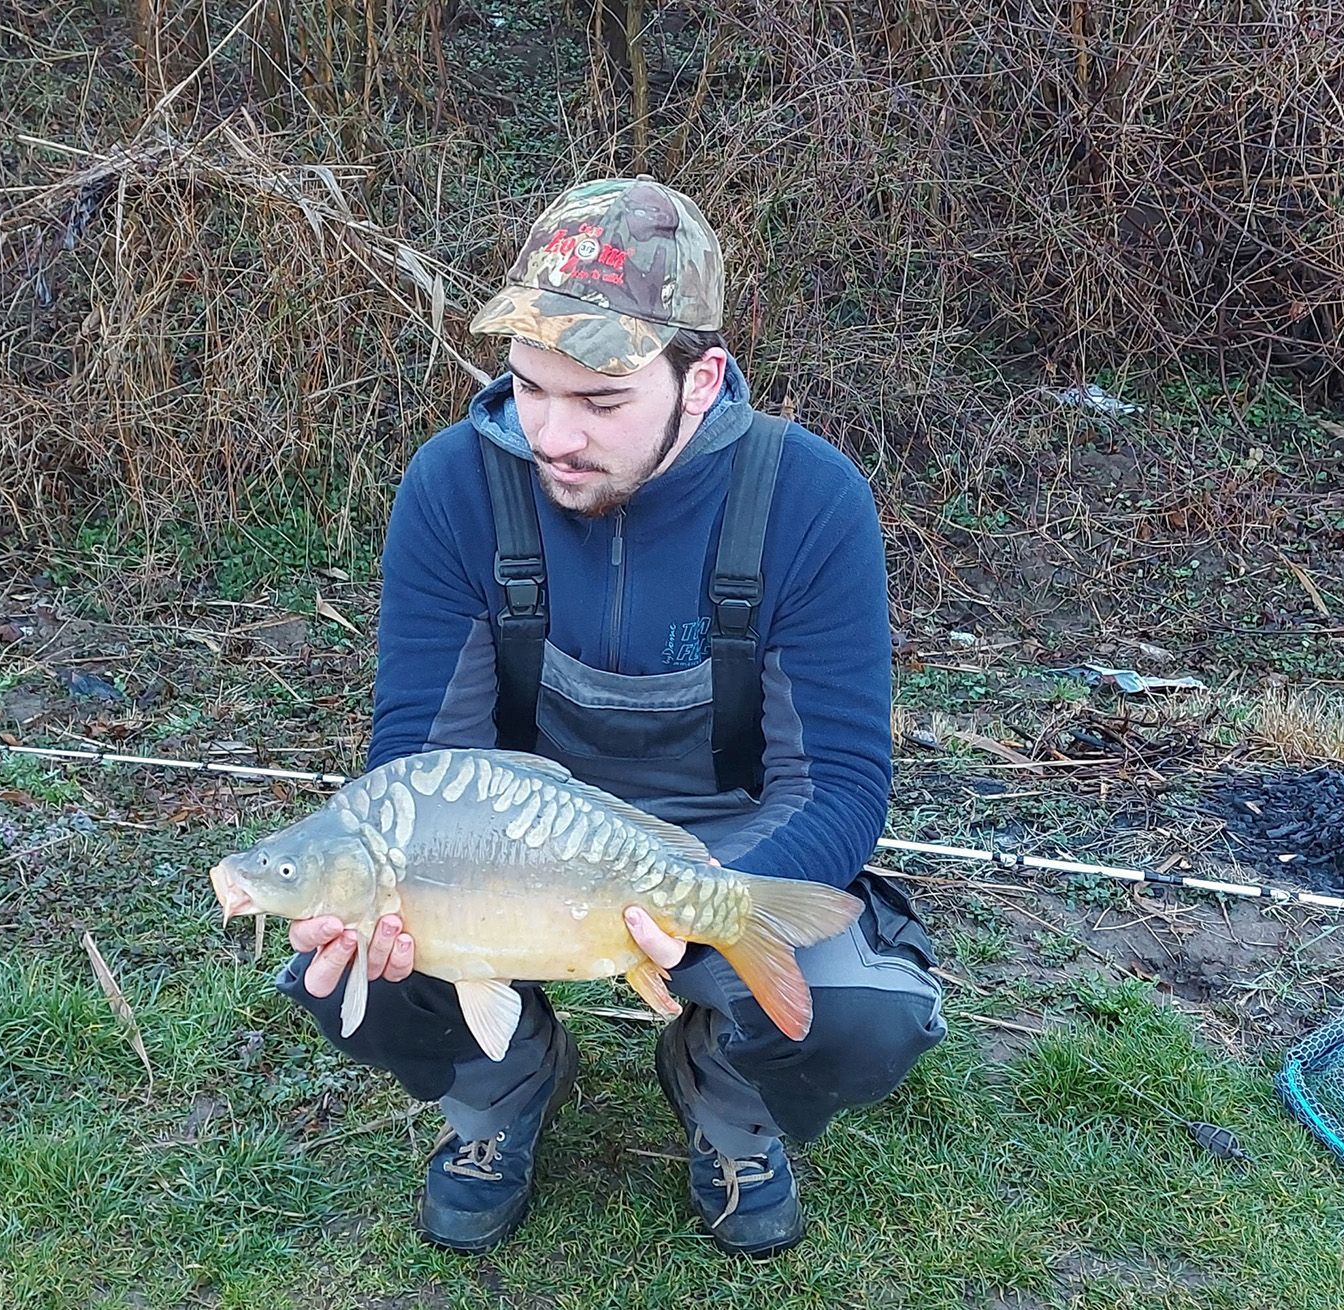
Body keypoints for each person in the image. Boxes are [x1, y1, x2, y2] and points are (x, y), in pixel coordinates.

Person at [276, 175, 945, 1259]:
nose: (551, 433)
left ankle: (725, 1095)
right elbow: (418, 758)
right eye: (531, 387)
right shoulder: (456, 487)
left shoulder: (809, 499)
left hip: (727, 837)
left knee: (864, 1009)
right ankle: (502, 1087)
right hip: (505, 848)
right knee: (349, 951)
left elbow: (837, 785)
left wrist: (699, 900)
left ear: (701, 378)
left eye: (599, 403)